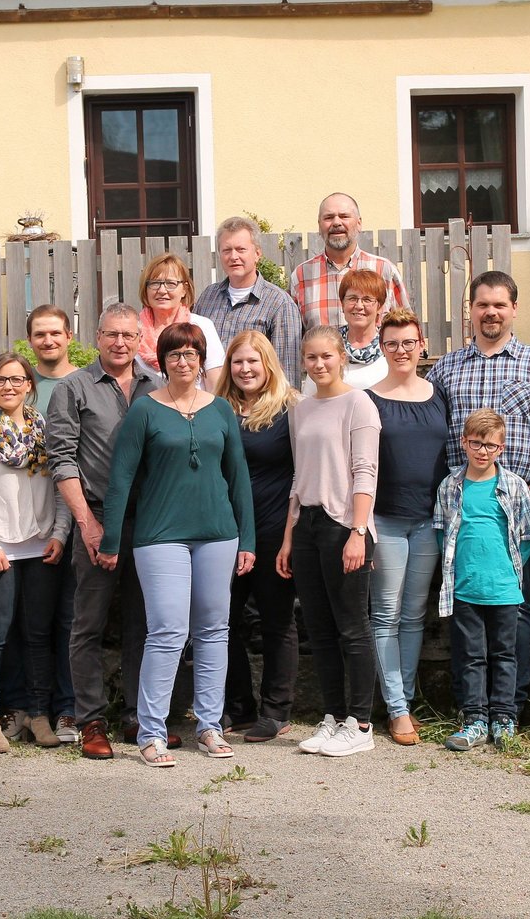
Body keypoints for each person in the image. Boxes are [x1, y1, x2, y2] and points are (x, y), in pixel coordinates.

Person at [99, 322, 255, 767]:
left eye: (191, 354)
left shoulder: (221, 410)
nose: (183, 362)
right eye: (174, 355)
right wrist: (111, 539)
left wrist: (248, 538)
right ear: (161, 362)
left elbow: (238, 478)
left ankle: (208, 725)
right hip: (160, 535)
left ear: (201, 359)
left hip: (218, 534)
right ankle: (151, 731)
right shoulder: (145, 410)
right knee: (167, 631)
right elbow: (122, 479)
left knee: (213, 630)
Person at [428, 269, 530, 719]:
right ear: (470, 310)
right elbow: (432, 436)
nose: (490, 312)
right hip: (464, 510)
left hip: (521, 508)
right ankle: (470, 708)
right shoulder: (446, 368)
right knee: (464, 603)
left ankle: (511, 706)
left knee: (518, 608)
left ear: (514, 308)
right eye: (482, 304)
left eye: (499, 304)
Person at [46, 303, 163, 760]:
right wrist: (88, 524)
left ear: (139, 340)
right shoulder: (72, 388)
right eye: (111, 334)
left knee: (145, 623)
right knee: (88, 625)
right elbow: (62, 459)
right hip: (94, 517)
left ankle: (139, 714)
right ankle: (91, 719)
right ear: (96, 338)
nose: (120, 343)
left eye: (128, 336)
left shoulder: (158, 385)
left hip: (151, 522)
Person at [0, 353, 72, 752]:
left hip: (41, 545)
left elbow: (61, 485)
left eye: (17, 379)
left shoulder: (46, 432)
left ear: (29, 385)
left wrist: (60, 532)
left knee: (38, 635)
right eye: (1, 380)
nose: (9, 386)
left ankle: (38, 714)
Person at [276, 326, 381, 758]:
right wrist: (287, 539)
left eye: (326, 356)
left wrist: (358, 532)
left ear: (342, 357)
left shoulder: (359, 403)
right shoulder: (299, 409)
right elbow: (298, 479)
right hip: (308, 526)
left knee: (353, 628)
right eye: (311, 357)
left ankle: (360, 723)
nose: (319, 364)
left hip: (344, 525)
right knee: (319, 630)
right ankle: (334, 717)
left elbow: (365, 471)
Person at [435, 409, 530, 750]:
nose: (482, 451)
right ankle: (475, 719)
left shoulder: (512, 485)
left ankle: (504, 718)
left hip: (505, 589)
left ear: (502, 448)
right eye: (476, 444)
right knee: (470, 655)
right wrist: (459, 567)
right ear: (464, 443)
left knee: (505, 655)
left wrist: (511, 570)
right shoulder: (451, 486)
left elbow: (529, 535)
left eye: (490, 446)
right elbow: (442, 532)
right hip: (465, 588)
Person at [365, 308, 447, 745]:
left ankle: (406, 701)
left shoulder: (440, 395)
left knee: (415, 615)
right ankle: (396, 709)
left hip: (429, 520)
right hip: (386, 520)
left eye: (408, 342)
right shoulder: (369, 398)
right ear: (382, 347)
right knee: (386, 616)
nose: (401, 350)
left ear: (422, 345)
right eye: (392, 343)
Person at [216, 331, 301, 742]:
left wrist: (290, 536)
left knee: (276, 621)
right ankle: (238, 708)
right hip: (225, 531)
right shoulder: (217, 409)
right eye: (237, 362)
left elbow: (302, 475)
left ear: (268, 364)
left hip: (273, 529)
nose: (245, 369)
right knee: (223, 622)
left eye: (253, 361)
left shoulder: (290, 409)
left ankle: (276, 710)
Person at [16, 304, 80, 743]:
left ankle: (70, 710)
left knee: (73, 620)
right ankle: (29, 707)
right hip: (31, 524)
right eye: (40, 334)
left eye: (55, 333)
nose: (48, 341)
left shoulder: (82, 383)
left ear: (69, 336)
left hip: (80, 516)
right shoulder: (19, 386)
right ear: (30, 340)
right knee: (31, 623)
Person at [193, 215, 303, 386]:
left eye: (241, 249)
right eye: (226, 250)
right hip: (211, 403)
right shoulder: (208, 297)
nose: (233, 256)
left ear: (257, 254)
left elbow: (286, 373)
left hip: (258, 407)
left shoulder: (279, 304)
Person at [291, 192, 409, 330]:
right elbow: (295, 339)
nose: (336, 222)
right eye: (328, 217)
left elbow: (406, 328)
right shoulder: (301, 276)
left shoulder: (384, 270)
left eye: (344, 216)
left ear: (359, 223)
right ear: (319, 225)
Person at [132, 252, 224, 388]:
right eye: (155, 283)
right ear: (145, 289)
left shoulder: (202, 326)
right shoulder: (133, 329)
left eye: (170, 283)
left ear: (184, 289)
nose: (162, 290)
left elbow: (215, 385)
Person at [300, 268, 389, 393]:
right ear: (342, 304)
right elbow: (310, 396)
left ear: (379, 307)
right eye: (352, 299)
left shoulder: (390, 348)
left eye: (367, 300)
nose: (359, 306)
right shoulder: (327, 346)